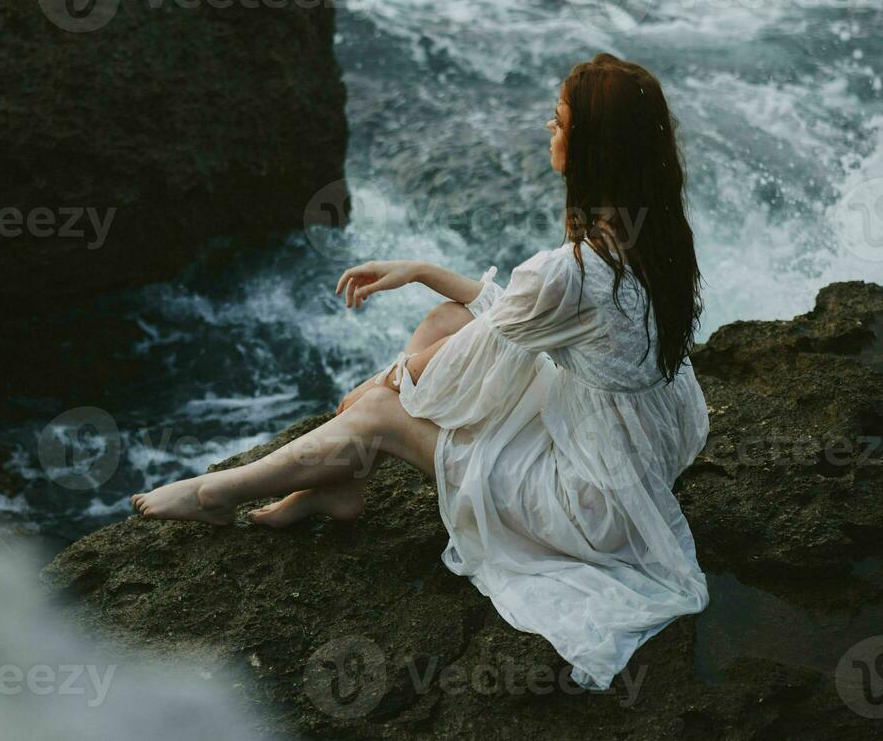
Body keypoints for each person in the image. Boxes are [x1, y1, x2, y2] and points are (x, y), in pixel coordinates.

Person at [131, 53, 710, 690]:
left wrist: (379, 387)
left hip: (595, 504)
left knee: (380, 408)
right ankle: (341, 482)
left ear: (593, 145)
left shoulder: (571, 269)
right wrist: (424, 270)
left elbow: (472, 358)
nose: (549, 127)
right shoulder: (653, 231)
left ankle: (218, 494)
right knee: (444, 317)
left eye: (560, 119)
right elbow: (508, 321)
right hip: (641, 444)